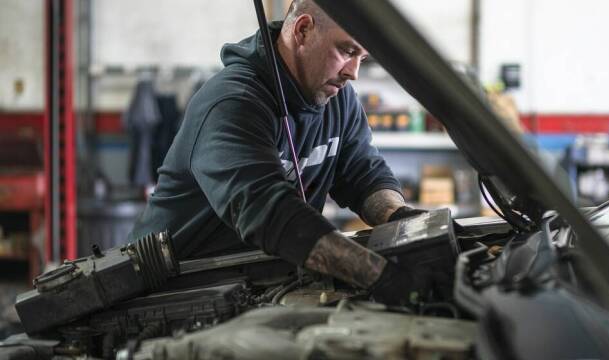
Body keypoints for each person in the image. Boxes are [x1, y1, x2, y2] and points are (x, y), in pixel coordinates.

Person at [129, 0, 428, 304]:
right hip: (170, 293)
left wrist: (401, 219)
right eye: (347, 51)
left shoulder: (338, 99)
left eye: (362, 58)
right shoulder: (233, 102)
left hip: (253, 286)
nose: (354, 73)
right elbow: (269, 213)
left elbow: (363, 174)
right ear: (303, 30)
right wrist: (380, 275)